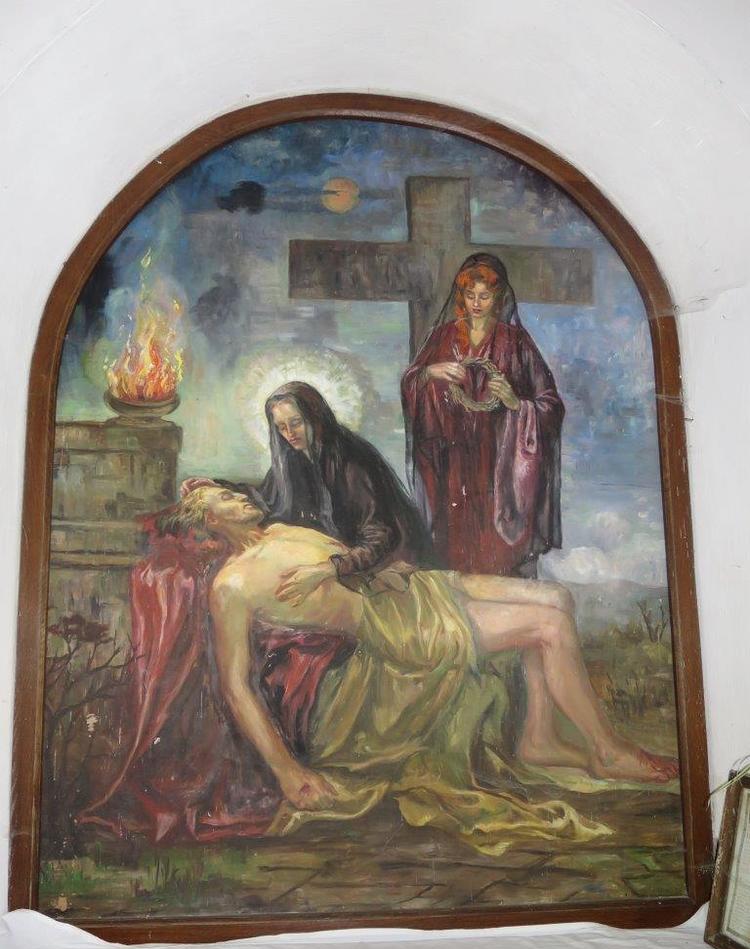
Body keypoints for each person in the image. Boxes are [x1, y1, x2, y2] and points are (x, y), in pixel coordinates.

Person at [191, 485, 676, 829]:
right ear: (210, 521)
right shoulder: (231, 586)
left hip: (409, 589)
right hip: (395, 628)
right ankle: (607, 750)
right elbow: (235, 685)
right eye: (225, 499)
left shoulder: (282, 531)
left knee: (556, 597)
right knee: (548, 628)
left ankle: (539, 737)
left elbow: (354, 566)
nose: (240, 498)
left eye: (233, 492)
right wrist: (287, 771)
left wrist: (375, 570)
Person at [184, 381, 435, 604]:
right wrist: (217, 486)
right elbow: (266, 498)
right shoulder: (292, 459)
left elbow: (379, 537)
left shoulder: (352, 462)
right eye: (281, 427)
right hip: (339, 560)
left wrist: (328, 569)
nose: (289, 434)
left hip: (384, 565)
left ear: (315, 417)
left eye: (296, 423)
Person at [401, 252, 563, 578]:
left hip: (500, 461)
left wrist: (516, 403)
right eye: (470, 294)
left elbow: (551, 404)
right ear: (461, 295)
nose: (476, 303)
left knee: (497, 553)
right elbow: (410, 383)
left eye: (485, 296)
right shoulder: (443, 337)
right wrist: (430, 372)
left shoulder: (516, 342)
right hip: (452, 462)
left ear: (498, 297)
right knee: (453, 549)